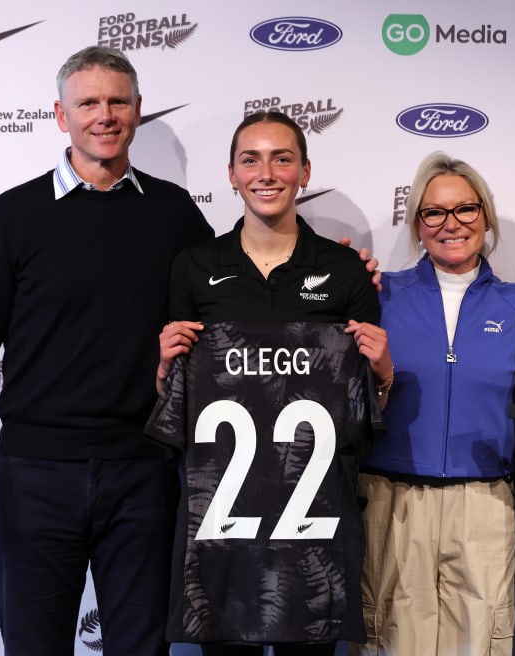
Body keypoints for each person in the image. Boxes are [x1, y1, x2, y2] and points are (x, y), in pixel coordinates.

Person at [0, 46, 215, 656]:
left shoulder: (173, 212)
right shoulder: (16, 214)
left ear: (138, 112)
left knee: (141, 648)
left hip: (143, 473)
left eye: (118, 101)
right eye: (88, 102)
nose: (104, 115)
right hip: (37, 473)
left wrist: (329, 272)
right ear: (61, 117)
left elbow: (237, 296)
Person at [146, 110, 394, 656]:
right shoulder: (195, 265)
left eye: (282, 159)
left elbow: (362, 415)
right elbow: (179, 395)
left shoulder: (345, 270)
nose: (267, 172)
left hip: (315, 518)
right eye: (250, 159)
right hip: (221, 519)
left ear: (305, 172)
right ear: (231, 175)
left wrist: (382, 377)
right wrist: (166, 368)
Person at [352, 152, 515, 656]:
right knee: (390, 642)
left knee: (480, 645)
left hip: (486, 503)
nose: (450, 224)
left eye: (465, 209)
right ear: (417, 223)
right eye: (434, 212)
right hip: (393, 497)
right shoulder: (379, 293)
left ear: (486, 216)